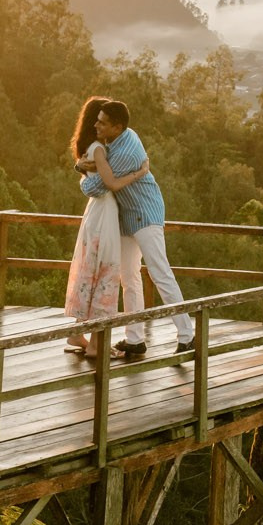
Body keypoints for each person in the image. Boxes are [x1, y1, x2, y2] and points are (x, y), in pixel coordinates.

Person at [78, 100, 195, 358]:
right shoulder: (117, 140)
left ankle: (187, 335)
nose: (95, 124)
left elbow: (98, 187)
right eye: (97, 119)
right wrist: (86, 167)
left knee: (160, 273)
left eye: (102, 122)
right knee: (128, 277)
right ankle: (135, 339)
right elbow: (97, 170)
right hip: (128, 218)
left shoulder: (125, 152)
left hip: (146, 214)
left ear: (117, 127)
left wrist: (84, 177)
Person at [62, 97, 153, 356]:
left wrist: (78, 166)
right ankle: (96, 345)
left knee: (91, 269)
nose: (99, 124)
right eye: (98, 120)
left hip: (95, 213)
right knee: (105, 271)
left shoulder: (90, 150)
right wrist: (139, 173)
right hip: (104, 214)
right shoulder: (99, 150)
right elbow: (110, 184)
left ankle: (78, 333)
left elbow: (91, 179)